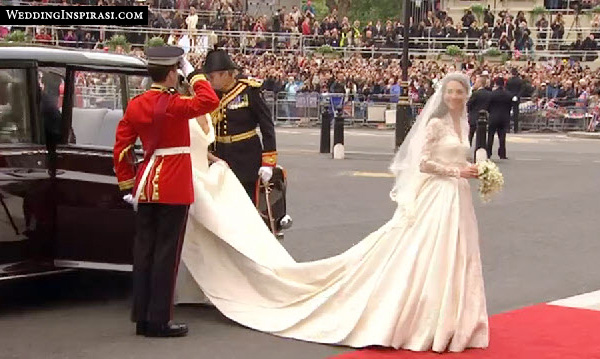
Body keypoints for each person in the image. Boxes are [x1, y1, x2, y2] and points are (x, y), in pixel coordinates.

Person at [175, 72, 489, 352]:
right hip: (438, 193)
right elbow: (422, 163)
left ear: (467, 95)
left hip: (456, 196)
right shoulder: (435, 123)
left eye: (459, 92)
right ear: (442, 94)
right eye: (449, 92)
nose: (453, 97)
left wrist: (474, 170)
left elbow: (455, 158)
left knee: (457, 252)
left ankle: (453, 316)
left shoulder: (464, 123)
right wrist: (455, 172)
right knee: (428, 251)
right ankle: (427, 315)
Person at [112, 45, 219, 338]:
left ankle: (142, 317)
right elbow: (209, 100)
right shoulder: (175, 105)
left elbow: (121, 149)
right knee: (165, 255)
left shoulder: (136, 104)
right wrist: (192, 71)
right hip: (173, 185)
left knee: (144, 252)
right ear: (172, 73)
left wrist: (126, 183)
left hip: (145, 185)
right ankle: (159, 319)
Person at [202, 49, 277, 204]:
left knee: (245, 204)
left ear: (226, 74)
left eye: (212, 77)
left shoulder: (249, 91)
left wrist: (268, 163)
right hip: (219, 155)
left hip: (245, 157)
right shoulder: (214, 94)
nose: (210, 81)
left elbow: (267, 126)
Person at [487, 77, 513, 159]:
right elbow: (510, 105)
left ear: (496, 84)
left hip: (493, 116)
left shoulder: (492, 94)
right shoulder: (508, 95)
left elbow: (488, 105)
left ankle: (489, 152)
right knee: (502, 136)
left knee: (490, 135)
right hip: (504, 117)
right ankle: (502, 153)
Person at [467, 76, 492, 146]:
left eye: (476, 82)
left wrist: (469, 111)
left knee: (470, 135)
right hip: (484, 117)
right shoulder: (489, 94)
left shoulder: (475, 94)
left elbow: (469, 104)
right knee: (481, 136)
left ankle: (468, 149)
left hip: (474, 116)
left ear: (479, 83)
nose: (474, 83)